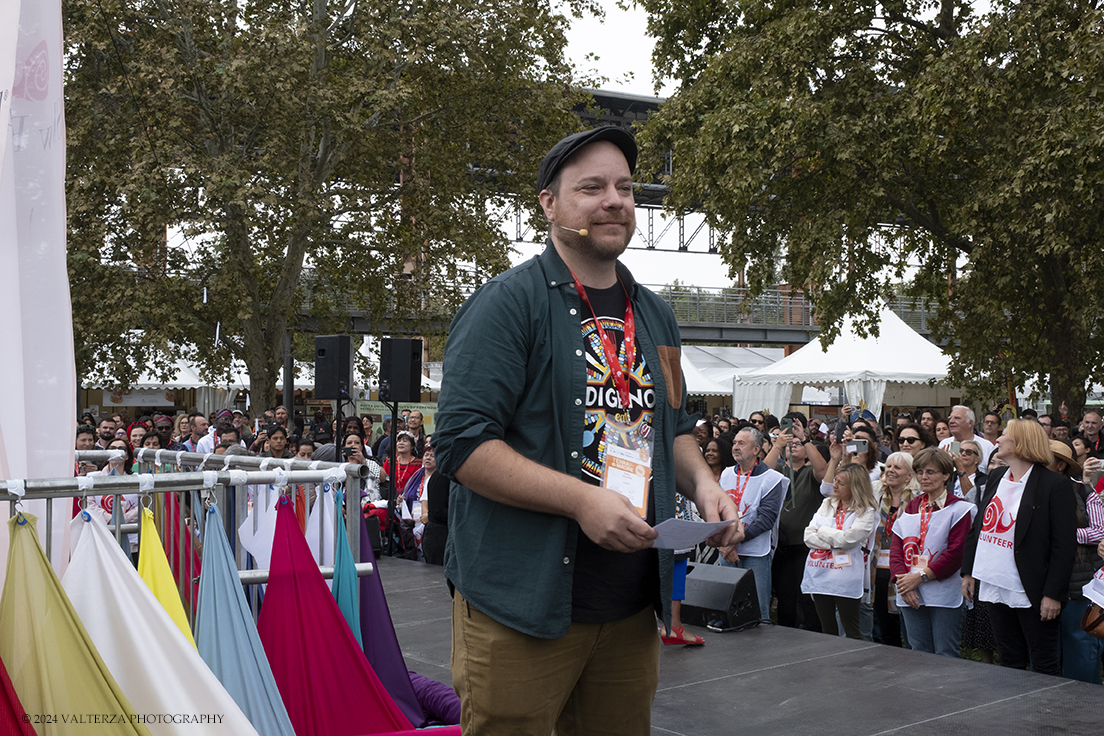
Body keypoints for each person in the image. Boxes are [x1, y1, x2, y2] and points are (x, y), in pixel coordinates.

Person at [433, 127, 741, 735]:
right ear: (548, 204)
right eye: (592, 187)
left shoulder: (654, 312)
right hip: (522, 601)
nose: (615, 201)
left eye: (625, 188)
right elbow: (462, 444)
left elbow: (672, 428)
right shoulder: (506, 304)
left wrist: (705, 484)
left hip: (628, 605)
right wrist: (582, 500)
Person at [961, 419, 1077, 676]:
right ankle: (1014, 714)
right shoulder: (996, 476)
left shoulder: (1054, 485)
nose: (999, 439)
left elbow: (1064, 545)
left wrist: (1053, 593)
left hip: (1032, 589)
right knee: (1009, 658)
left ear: (1020, 443)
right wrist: (968, 571)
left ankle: (1049, 714)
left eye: (1005, 434)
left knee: (1044, 662)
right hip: (995, 581)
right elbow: (979, 526)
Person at [889, 448, 976, 658]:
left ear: (946, 475)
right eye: (920, 472)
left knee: (945, 652)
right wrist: (902, 583)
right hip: (910, 589)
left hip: (943, 591)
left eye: (931, 472)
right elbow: (896, 547)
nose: (924, 477)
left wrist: (918, 578)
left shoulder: (960, 509)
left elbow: (956, 554)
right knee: (918, 652)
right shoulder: (911, 506)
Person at [801, 463, 878, 639]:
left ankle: (852, 665)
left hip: (846, 577)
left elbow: (848, 540)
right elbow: (807, 536)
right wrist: (836, 539)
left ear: (855, 487)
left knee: (851, 629)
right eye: (835, 480)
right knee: (827, 628)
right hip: (821, 573)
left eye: (841, 483)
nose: (834, 485)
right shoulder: (827, 503)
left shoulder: (867, 511)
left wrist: (823, 531)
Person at [1048, 442, 1104, 683]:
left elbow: (1100, 531)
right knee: (1051, 652)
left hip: (1079, 585)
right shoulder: (1031, 491)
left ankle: (1084, 705)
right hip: (1046, 583)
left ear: (1061, 465)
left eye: (1045, 459)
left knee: (1081, 649)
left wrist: (1065, 535)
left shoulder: (1083, 490)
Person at [719, 426, 788, 622]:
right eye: (734, 443)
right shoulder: (725, 474)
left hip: (755, 553)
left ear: (756, 449)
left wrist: (733, 541)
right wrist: (725, 544)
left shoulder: (772, 479)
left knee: (757, 611)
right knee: (727, 609)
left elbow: (766, 519)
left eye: (741, 443)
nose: (735, 447)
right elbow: (716, 512)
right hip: (726, 550)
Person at [770, 430, 829, 632]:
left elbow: (824, 470)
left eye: (798, 444)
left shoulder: (811, 472)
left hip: (806, 547)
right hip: (781, 545)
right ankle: (786, 634)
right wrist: (777, 445)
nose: (793, 445)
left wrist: (805, 439)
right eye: (789, 443)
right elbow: (762, 472)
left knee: (807, 596)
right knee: (785, 595)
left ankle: (813, 635)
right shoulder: (777, 470)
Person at [870, 452, 918, 648]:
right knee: (884, 622)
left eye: (897, 467)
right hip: (877, 568)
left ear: (909, 475)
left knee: (908, 625)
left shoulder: (918, 499)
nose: (890, 471)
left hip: (905, 568)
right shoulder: (874, 492)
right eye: (888, 466)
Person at [940, 406, 994, 473]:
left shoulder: (986, 446)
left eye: (957, 418)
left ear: (970, 423)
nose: (951, 421)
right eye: (950, 418)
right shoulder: (944, 444)